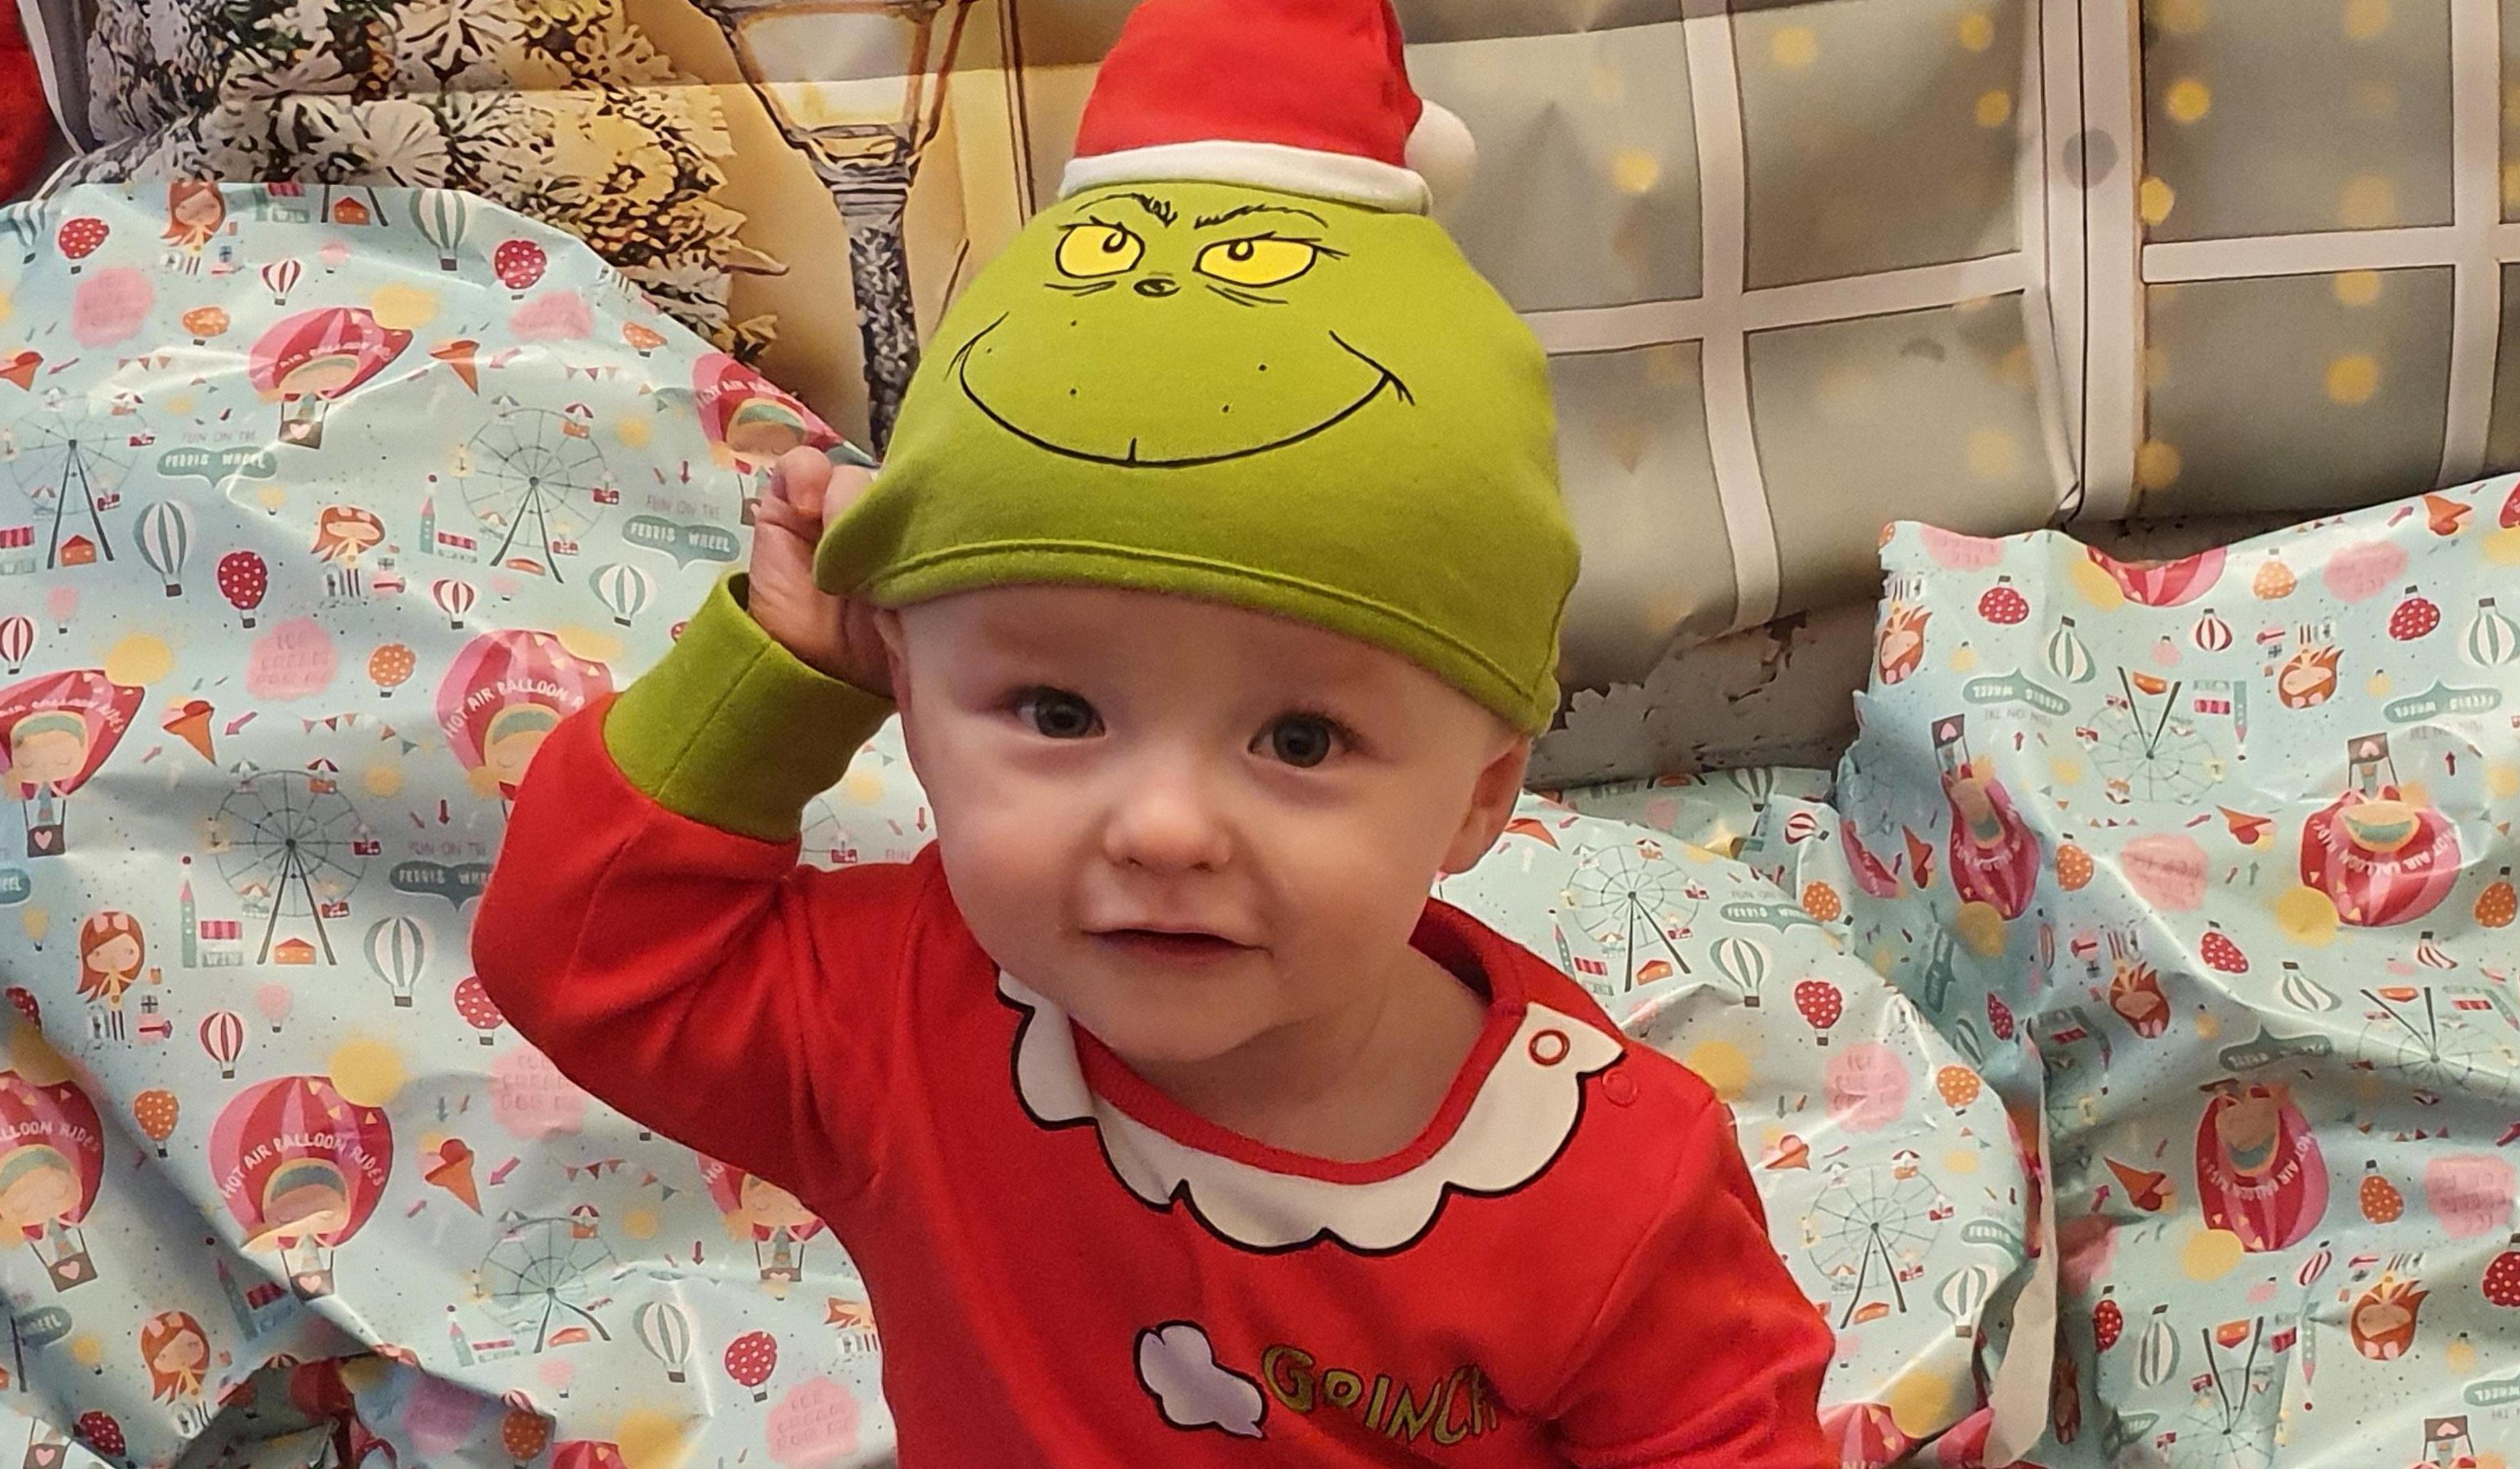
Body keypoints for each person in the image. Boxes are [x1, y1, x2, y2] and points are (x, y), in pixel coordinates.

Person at [473, 0, 1834, 1462]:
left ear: (1480, 797)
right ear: (911, 705)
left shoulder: (1609, 1187)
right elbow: (581, 959)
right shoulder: (902, 1024)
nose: (1166, 829)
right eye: (1057, 712)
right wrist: (778, 680)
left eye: (1301, 741)